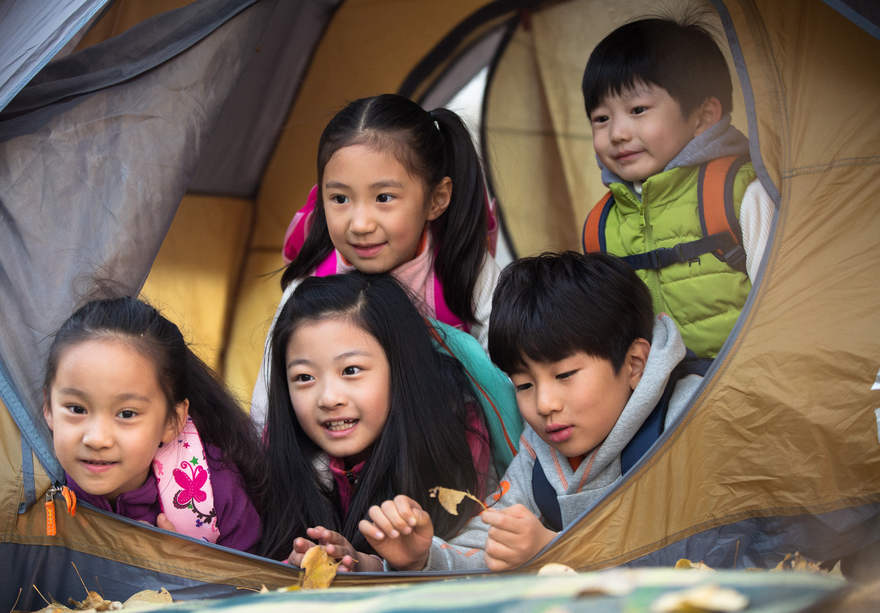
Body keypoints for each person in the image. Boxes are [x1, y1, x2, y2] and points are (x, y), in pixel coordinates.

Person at [357, 252, 705, 571]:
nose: (543, 405)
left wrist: (554, 551)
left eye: (565, 375)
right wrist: (424, 557)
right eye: (524, 385)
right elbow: (489, 543)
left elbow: (717, 551)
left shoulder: (691, 421)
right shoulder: (538, 456)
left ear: (634, 364)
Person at [250, 93, 501, 428]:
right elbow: (267, 406)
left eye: (384, 197)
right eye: (340, 198)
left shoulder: (465, 272)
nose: (360, 224)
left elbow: (506, 387)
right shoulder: (311, 287)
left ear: (436, 199)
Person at [258, 272, 491, 569]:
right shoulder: (275, 456)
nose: (329, 398)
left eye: (351, 370)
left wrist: (411, 561)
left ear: (400, 368)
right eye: (304, 377)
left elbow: (480, 554)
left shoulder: (453, 435)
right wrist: (291, 569)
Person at [580, 14, 775, 359]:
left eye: (638, 109)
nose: (617, 133)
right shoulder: (601, 225)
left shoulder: (738, 193)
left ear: (702, 118)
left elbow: (784, 305)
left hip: (751, 388)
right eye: (601, 118)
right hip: (661, 402)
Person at [42, 296, 265, 553]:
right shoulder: (27, 486)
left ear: (173, 421)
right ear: (48, 406)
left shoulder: (218, 489)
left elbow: (251, 584)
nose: (96, 439)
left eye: (126, 414)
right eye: (77, 409)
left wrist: (186, 569)